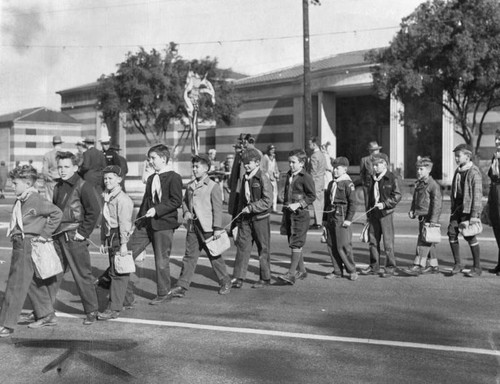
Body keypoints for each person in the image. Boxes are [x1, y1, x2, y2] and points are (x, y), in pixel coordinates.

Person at [0, 165, 62, 338]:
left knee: (15, 285)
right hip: (20, 243)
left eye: (15, 183)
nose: (12, 186)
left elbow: (57, 213)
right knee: (33, 282)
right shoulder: (22, 198)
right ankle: (46, 314)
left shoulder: (35, 199)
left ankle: (7, 323)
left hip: (28, 243)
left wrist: (44, 234)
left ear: (27, 183)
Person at [125, 144, 183, 305]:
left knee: (161, 260)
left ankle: (164, 293)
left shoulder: (174, 177)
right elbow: (146, 202)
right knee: (127, 252)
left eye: (153, 158)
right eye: (149, 158)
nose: (150, 161)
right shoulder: (151, 178)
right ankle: (115, 287)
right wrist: (136, 223)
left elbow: (176, 201)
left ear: (163, 159)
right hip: (146, 224)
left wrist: (157, 210)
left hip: (164, 224)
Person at [168, 154, 231, 298]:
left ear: (206, 169)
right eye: (193, 166)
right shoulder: (190, 185)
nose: (194, 169)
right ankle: (182, 285)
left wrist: (216, 228)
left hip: (208, 229)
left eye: (197, 167)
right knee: (189, 257)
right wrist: (186, 212)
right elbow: (184, 202)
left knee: (214, 256)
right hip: (193, 228)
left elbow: (217, 209)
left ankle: (225, 281)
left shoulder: (213, 186)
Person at [49, 151, 101, 325]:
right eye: (60, 167)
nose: (62, 170)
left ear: (75, 168)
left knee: (82, 275)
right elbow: (56, 212)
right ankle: (44, 310)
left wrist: (83, 233)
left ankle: (91, 311)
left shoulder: (84, 186)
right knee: (52, 274)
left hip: (75, 236)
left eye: (66, 167)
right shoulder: (57, 187)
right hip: (58, 237)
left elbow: (94, 212)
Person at [231, 148, 273, 289]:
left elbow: (268, 201)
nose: (246, 166)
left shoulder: (262, 177)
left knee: (263, 248)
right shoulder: (245, 178)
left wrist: (252, 207)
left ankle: (265, 278)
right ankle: (238, 277)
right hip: (245, 219)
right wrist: (237, 222)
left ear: (257, 163)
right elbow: (242, 201)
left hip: (260, 218)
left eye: (248, 163)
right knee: (242, 247)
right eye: (244, 164)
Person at [97, 166, 134, 320]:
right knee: (118, 269)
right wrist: (102, 240)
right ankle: (126, 300)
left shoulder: (122, 200)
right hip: (111, 235)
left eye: (110, 178)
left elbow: (125, 224)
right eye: (105, 178)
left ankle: (114, 308)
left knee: (117, 273)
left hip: (119, 236)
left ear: (119, 180)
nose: (107, 181)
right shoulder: (108, 196)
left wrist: (124, 244)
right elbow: (104, 220)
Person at [277, 149, 316, 285]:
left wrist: (299, 204)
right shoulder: (289, 175)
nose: (291, 165)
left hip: (301, 215)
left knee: (296, 243)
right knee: (293, 242)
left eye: (293, 162)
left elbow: (312, 196)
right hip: (289, 214)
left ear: (302, 163)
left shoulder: (306, 177)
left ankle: (291, 274)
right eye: (289, 162)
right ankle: (302, 271)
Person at [360, 153, 402, 278]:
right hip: (374, 213)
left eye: (377, 165)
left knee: (388, 242)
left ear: (385, 165)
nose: (375, 167)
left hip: (386, 214)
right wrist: (368, 212)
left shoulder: (391, 177)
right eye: (374, 165)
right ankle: (374, 266)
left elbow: (397, 195)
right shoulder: (372, 178)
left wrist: (385, 204)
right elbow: (369, 196)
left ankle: (390, 267)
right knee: (373, 240)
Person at [448, 144, 483, 277]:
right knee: (452, 233)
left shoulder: (473, 172)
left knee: (469, 235)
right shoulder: (458, 171)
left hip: (468, 210)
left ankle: (477, 267)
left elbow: (477, 195)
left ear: (468, 157)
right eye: (455, 156)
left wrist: (474, 215)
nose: (456, 158)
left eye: (458, 156)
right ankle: (457, 264)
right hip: (457, 208)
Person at [322, 157, 358, 281]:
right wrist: (324, 220)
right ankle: (337, 270)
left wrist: (349, 219)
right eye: (334, 168)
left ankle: (351, 270)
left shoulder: (348, 183)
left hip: (341, 216)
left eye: (338, 168)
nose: (335, 171)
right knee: (331, 244)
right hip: (331, 214)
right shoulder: (332, 183)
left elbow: (353, 203)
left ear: (345, 169)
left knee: (343, 245)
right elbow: (327, 203)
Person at [407, 157, 442, 274]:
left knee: (423, 241)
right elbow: (415, 199)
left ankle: (419, 265)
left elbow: (437, 204)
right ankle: (433, 266)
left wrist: (433, 220)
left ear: (429, 170)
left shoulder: (433, 185)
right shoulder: (419, 183)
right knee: (428, 239)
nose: (418, 171)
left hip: (428, 217)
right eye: (417, 169)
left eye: (421, 169)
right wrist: (412, 210)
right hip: (421, 215)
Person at [360, 141, 389, 212]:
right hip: (368, 185)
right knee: (368, 203)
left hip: (381, 183)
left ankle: (380, 217)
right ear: (370, 151)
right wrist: (364, 184)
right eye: (374, 150)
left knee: (381, 201)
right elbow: (362, 173)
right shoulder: (364, 160)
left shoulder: (384, 157)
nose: (377, 151)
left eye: (377, 149)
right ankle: (369, 219)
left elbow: (387, 170)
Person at [307, 137, 327, 229]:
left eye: (310, 143)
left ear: (314, 144)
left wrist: (309, 181)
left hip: (315, 181)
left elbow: (313, 171)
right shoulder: (322, 154)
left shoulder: (314, 156)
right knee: (320, 201)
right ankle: (318, 221)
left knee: (316, 201)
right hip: (321, 180)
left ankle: (318, 223)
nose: (308, 145)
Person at [488, 129, 500, 276]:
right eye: (496, 139)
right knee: (497, 229)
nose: (497, 142)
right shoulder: (494, 156)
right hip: (495, 194)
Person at [42, 136, 64, 202]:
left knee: (50, 201)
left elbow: (45, 171)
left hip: (51, 180)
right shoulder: (65, 155)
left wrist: (48, 178)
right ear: (60, 143)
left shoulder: (47, 155)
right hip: (62, 180)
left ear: (53, 144)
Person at [261, 144, 280, 213]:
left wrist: (277, 174)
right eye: (271, 150)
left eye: (273, 150)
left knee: (275, 193)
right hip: (267, 178)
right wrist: (267, 176)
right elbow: (262, 168)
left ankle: (274, 208)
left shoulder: (273, 158)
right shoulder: (265, 157)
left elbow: (276, 168)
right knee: (267, 193)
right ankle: (267, 207)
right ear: (268, 150)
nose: (273, 151)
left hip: (273, 178)